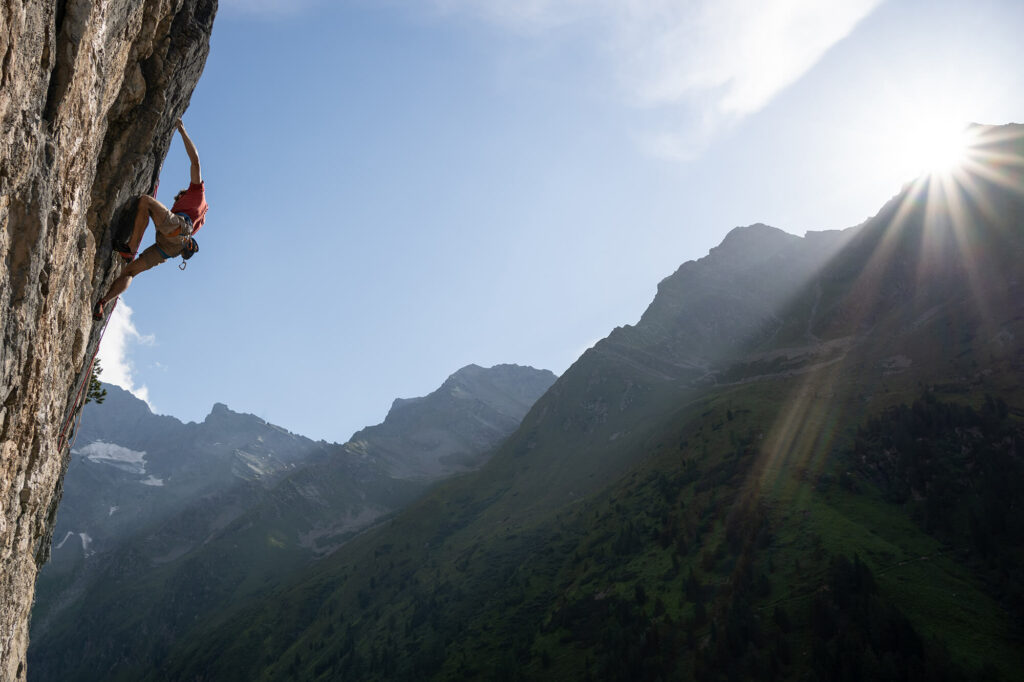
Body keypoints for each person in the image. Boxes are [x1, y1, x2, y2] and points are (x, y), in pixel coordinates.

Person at [93, 119, 209, 320]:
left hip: (178, 230)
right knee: (129, 273)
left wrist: (182, 131)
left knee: (146, 202)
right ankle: (103, 302)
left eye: (178, 197)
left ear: (183, 194)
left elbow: (195, 161)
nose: (178, 199)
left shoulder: (197, 192)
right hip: (170, 249)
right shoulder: (201, 217)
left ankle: (130, 248)